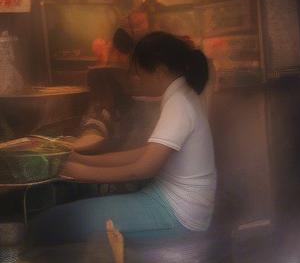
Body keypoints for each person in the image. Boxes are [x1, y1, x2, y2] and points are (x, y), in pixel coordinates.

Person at [32, 32, 217, 244]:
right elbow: (145, 154)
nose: (136, 79)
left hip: (178, 214)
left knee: (54, 222)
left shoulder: (179, 104)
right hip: (174, 202)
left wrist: (78, 172)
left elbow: (143, 169)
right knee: (58, 220)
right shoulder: (182, 94)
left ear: (159, 72)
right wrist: (83, 159)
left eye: (139, 73)